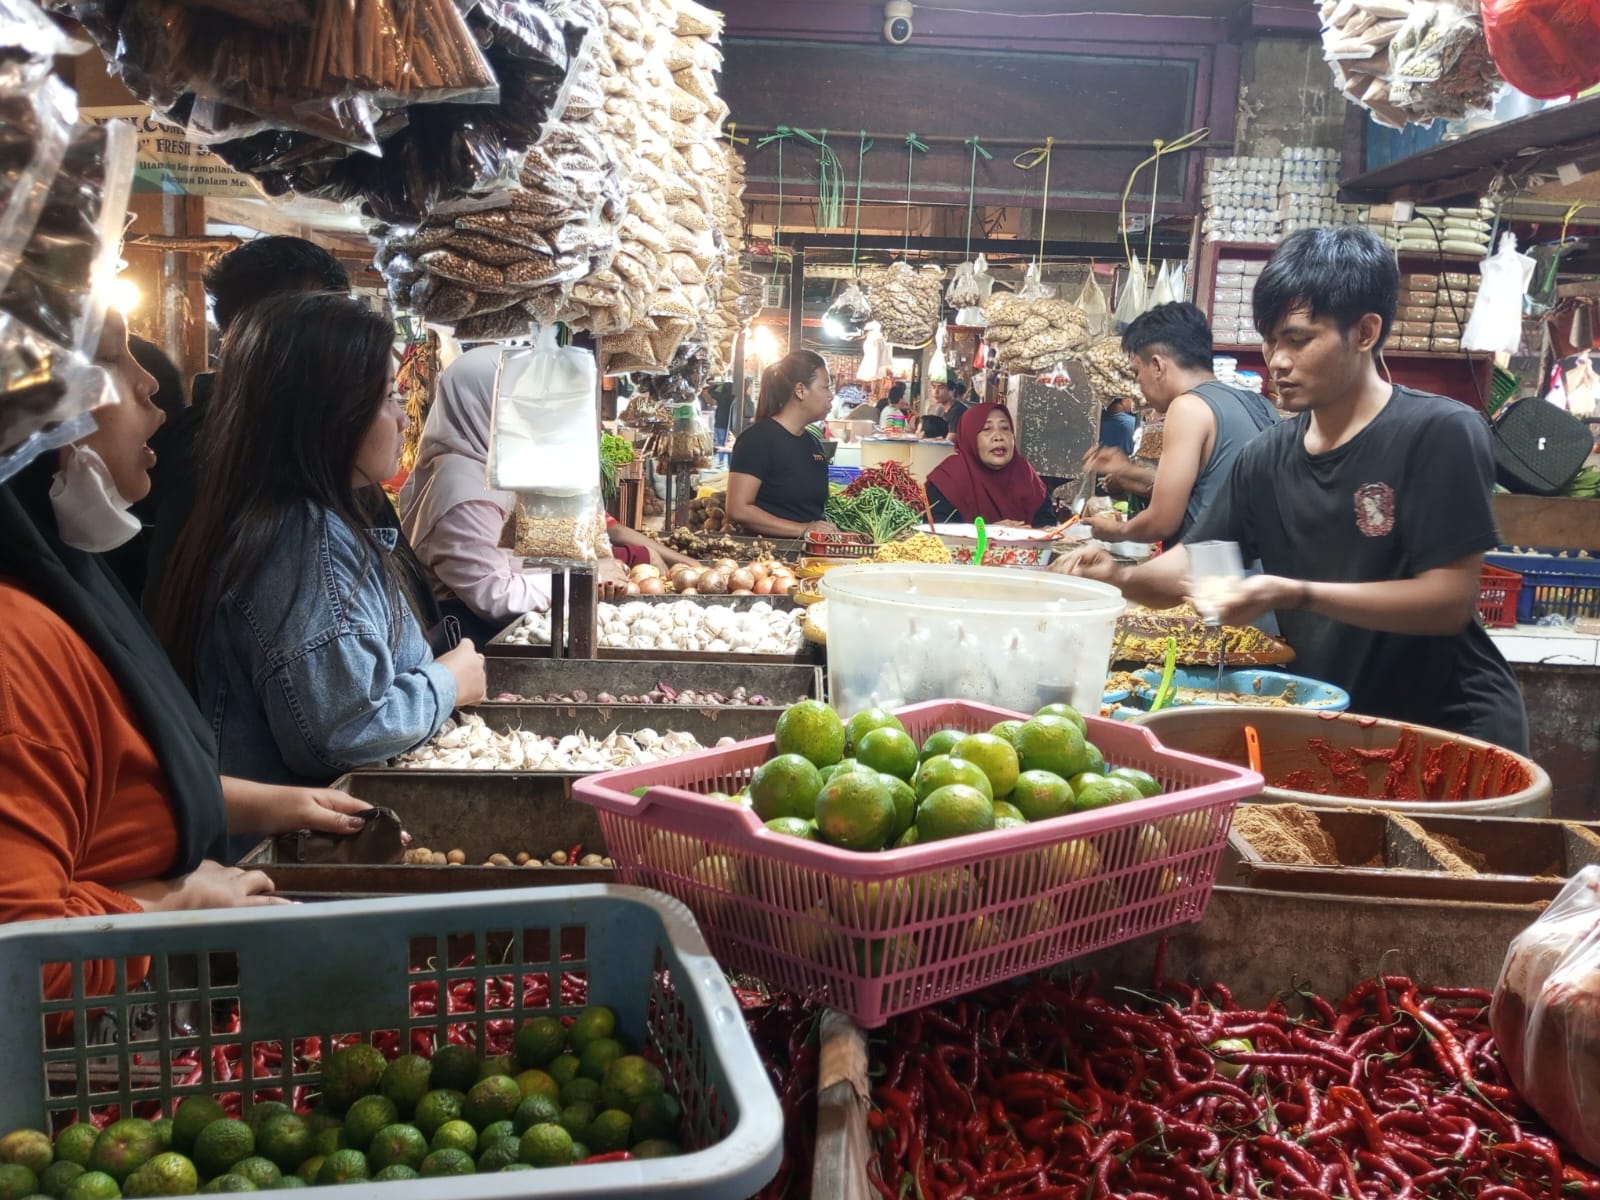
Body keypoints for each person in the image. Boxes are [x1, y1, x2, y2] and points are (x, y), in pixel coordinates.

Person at [1, 312, 385, 981]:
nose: (152, 384)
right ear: (39, 408)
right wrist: (169, 903)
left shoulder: (65, 583)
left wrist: (265, 800)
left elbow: (97, 777)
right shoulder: (14, 648)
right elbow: (20, 962)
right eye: (116, 359)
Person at [1056, 227, 1527, 750]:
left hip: (1446, 727)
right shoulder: (1268, 456)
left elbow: (1447, 602)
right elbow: (1195, 562)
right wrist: (1118, 575)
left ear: (1366, 332)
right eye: (1271, 340)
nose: (1278, 360)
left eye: (1299, 339)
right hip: (1334, 714)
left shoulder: (1439, 432)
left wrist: (1293, 592)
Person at [154, 293, 488, 788]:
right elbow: (344, 730)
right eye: (385, 398)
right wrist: (449, 682)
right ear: (328, 412)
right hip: (295, 842)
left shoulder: (309, 521)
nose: (402, 419)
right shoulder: (303, 542)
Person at [142, 237, 441, 648]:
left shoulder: (325, 459)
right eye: (318, 321)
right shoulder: (223, 460)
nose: (338, 345)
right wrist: (443, 682)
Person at [399, 346, 696, 641]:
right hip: (480, 651)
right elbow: (496, 596)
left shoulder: (493, 468)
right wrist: (582, 579)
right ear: (483, 405)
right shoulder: (463, 486)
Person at [1085, 303, 1278, 547]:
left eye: (1136, 373)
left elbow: (1162, 521)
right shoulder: (1258, 404)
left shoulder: (1188, 407)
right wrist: (1127, 470)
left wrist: (1114, 531)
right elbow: (1207, 488)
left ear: (1157, 366)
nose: (1138, 385)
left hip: (1206, 575)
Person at [727, 350, 838, 537]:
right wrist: (803, 530)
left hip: (809, 555)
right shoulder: (757, 440)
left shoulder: (812, 443)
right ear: (800, 390)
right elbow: (738, 509)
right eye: (825, 387)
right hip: (771, 555)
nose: (831, 396)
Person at [925, 403, 1055, 527]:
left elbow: (1046, 524)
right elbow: (937, 531)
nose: (999, 436)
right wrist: (989, 533)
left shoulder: (1025, 474)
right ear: (969, 437)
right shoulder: (948, 478)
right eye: (986, 429)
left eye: (1005, 428)